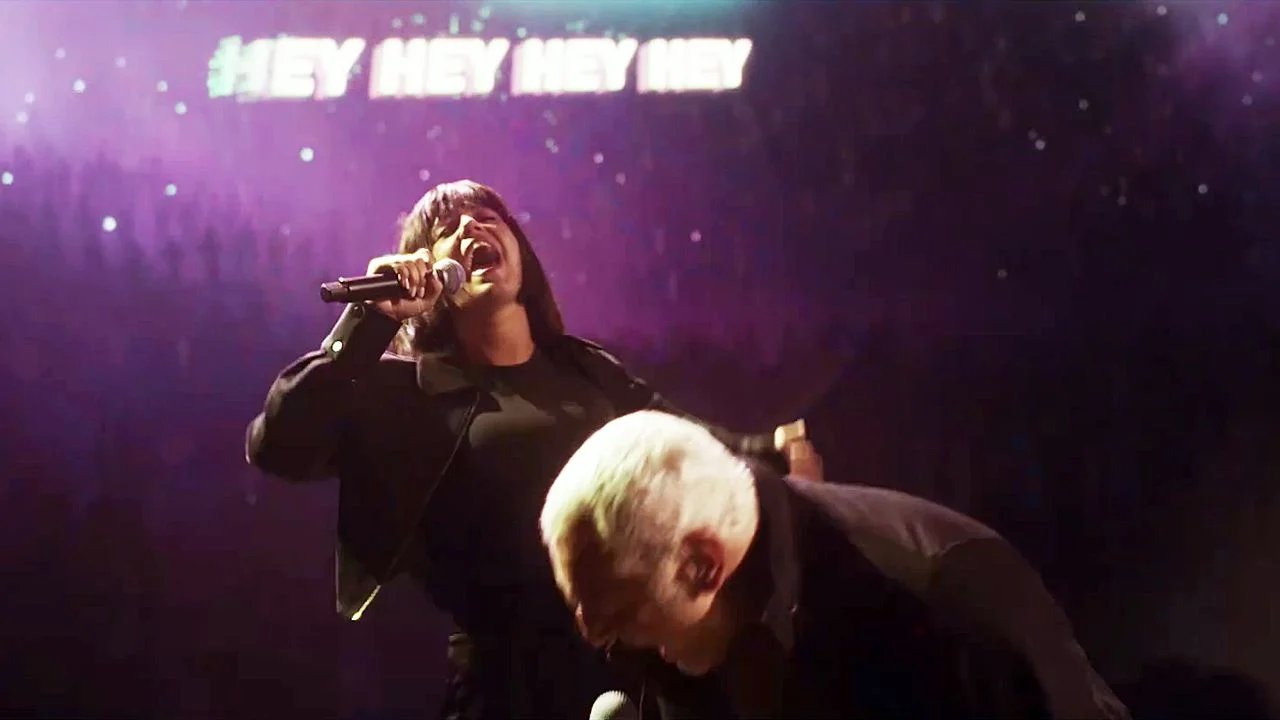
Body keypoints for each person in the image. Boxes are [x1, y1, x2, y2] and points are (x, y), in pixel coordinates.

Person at [244, 180, 804, 720]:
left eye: (488, 218)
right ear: (426, 273)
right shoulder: (408, 393)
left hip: (629, 666)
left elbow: (682, 443)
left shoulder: (584, 369)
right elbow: (279, 445)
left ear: (521, 254)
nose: (471, 226)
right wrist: (370, 320)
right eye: (446, 228)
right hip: (506, 685)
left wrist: (775, 453)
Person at [539, 410, 1133, 720]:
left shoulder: (951, 600)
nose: (604, 639)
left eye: (618, 611)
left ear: (700, 566)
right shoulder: (675, 642)